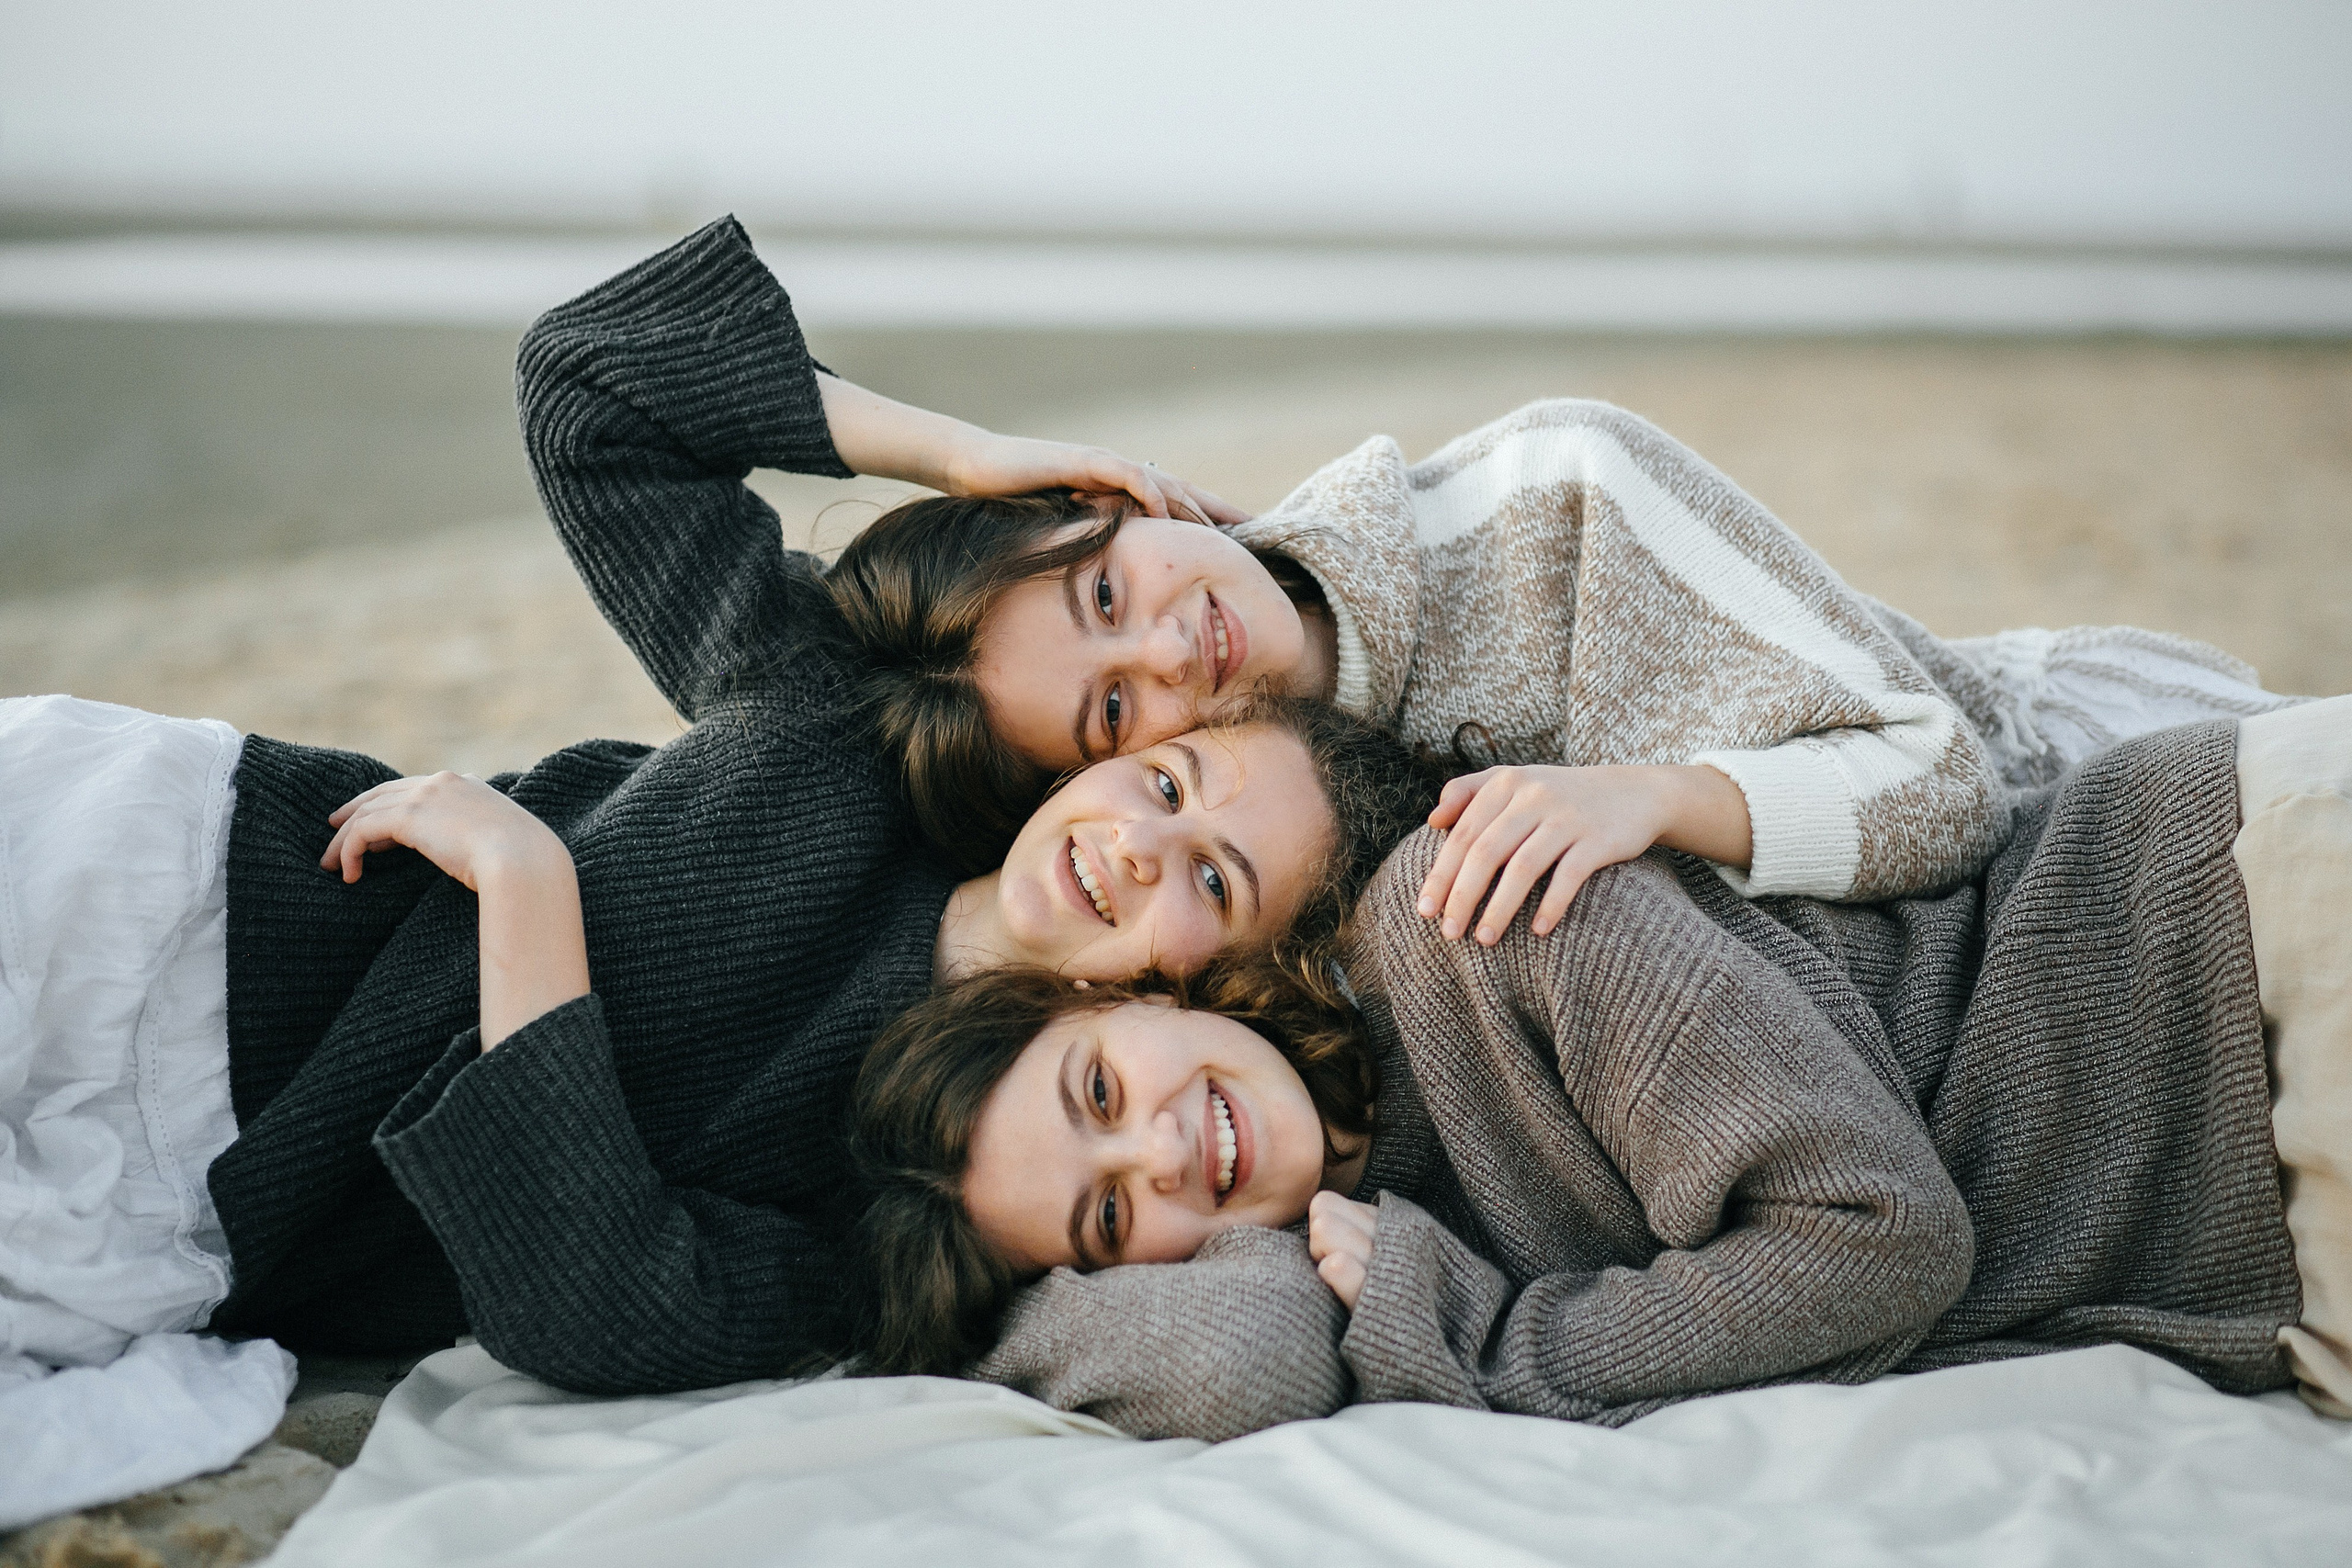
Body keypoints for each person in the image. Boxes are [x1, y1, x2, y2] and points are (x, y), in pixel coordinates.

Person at [0, 220, 1436, 1405]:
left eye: (1213, 878)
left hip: (181, 1190)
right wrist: (959, 455)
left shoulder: (958, 1170)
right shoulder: (846, 724)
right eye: (1147, 768)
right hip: (170, 883)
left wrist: (526, 887)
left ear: (1222, 977)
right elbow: (590, 387)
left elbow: (606, 1309)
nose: (1135, 842)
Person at [848, 695, 2352, 1438]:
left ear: (1149, 991)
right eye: (1110, 1220)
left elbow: (1883, 1240)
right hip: (2268, 1241)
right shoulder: (1339, 1242)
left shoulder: (1473, 915)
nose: (1163, 1155)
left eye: (1100, 1094)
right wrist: (971, 1319)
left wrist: (1491, 1341)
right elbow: (1241, 1356)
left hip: (2237, 944)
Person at [824, 369, 2299, 946]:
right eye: (1114, 709)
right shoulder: (1236, 836)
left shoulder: (1556, 497)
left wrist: (1647, 797)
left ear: (1102, 501)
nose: (1169, 644)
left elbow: (1949, 779)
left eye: (1101, 592)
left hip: (2127, 783)